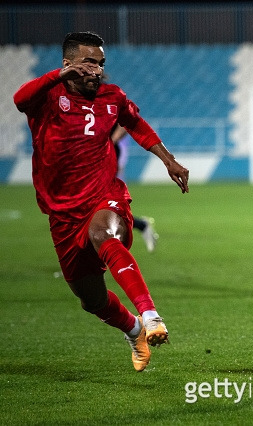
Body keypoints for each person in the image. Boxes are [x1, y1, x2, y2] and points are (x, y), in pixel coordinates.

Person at [14, 31, 190, 372]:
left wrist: (168, 159)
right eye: (89, 62)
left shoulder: (112, 97)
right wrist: (57, 77)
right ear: (68, 65)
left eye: (101, 63)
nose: (97, 70)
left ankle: (151, 314)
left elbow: (136, 124)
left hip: (103, 194)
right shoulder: (47, 96)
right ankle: (135, 330)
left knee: (103, 234)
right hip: (62, 213)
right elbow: (19, 99)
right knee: (90, 300)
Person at [111, 124, 159, 253]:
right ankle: (141, 225)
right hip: (87, 158)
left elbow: (125, 122)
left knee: (98, 209)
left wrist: (113, 140)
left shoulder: (109, 105)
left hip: (105, 155)